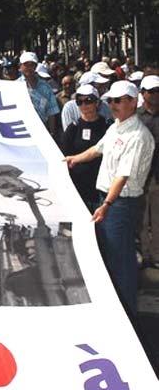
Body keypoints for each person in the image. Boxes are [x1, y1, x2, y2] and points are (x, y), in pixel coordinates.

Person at [65, 80, 154, 316]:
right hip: (110, 201)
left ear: (134, 102)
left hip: (120, 204)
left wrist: (106, 205)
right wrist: (74, 158)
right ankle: (117, 310)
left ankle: (127, 314)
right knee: (110, 256)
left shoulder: (138, 136)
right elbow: (96, 149)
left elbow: (123, 176)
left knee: (120, 260)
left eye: (119, 100)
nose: (113, 105)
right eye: (111, 101)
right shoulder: (116, 127)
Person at [62, 84, 108, 212]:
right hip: (79, 186)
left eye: (88, 100)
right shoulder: (73, 129)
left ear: (97, 103)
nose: (84, 105)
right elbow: (65, 156)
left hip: (101, 188)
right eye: (80, 102)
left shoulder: (107, 127)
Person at [138, 74, 159, 268]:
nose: (156, 95)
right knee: (143, 220)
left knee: (158, 218)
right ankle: (145, 255)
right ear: (143, 93)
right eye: (151, 91)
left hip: (158, 176)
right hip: (141, 175)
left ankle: (157, 255)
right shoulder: (135, 116)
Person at [17, 51, 59, 135]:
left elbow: (51, 111)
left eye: (32, 65)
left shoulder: (45, 87)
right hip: (21, 131)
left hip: (42, 131)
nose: (29, 67)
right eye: (26, 64)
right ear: (20, 66)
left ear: (36, 66)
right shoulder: (15, 86)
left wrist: (52, 133)